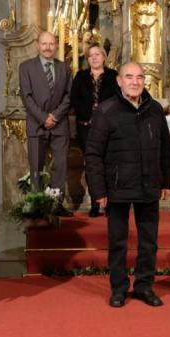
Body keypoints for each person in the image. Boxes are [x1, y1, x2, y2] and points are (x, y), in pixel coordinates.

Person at [84, 62, 170, 308]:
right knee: (118, 241)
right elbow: (92, 154)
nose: (135, 82)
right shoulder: (106, 110)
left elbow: (166, 148)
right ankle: (119, 288)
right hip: (117, 187)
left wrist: (166, 180)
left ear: (145, 81)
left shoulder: (154, 109)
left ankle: (144, 286)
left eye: (139, 77)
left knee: (149, 242)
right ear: (119, 81)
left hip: (148, 185)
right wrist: (98, 191)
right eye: (129, 77)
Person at [19, 31, 73, 216]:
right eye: (44, 44)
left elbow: (68, 96)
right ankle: (37, 204)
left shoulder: (65, 68)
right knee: (36, 166)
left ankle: (57, 204)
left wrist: (55, 116)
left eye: (51, 43)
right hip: (36, 124)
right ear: (37, 45)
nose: (48, 47)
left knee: (60, 166)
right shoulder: (26, 67)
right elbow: (26, 97)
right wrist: (43, 118)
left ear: (56, 45)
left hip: (59, 125)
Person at [70, 44, 119, 217]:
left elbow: (117, 99)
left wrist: (103, 113)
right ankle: (95, 202)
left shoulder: (113, 76)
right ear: (88, 59)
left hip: (108, 126)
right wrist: (88, 112)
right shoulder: (81, 76)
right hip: (86, 126)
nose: (94, 58)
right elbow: (74, 98)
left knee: (108, 163)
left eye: (97, 54)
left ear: (104, 57)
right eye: (91, 55)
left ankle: (109, 202)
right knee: (92, 165)